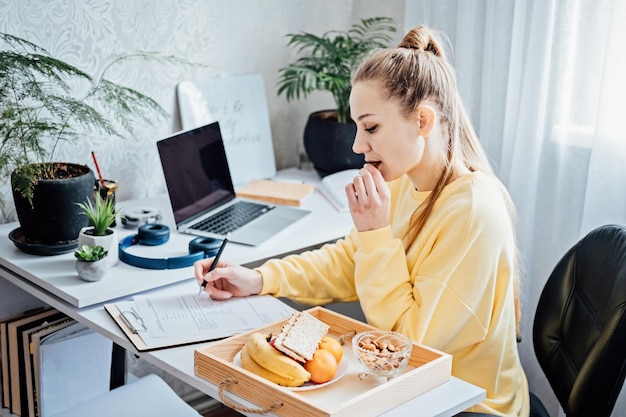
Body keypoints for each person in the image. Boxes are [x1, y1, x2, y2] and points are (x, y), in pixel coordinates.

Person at [194, 25, 529, 417]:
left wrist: (374, 234)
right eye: (357, 127)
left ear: (423, 122)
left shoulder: (472, 212)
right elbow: (350, 260)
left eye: (371, 127)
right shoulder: (406, 181)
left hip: (468, 405)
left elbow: (406, 345)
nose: (357, 145)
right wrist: (262, 278)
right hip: (415, 388)